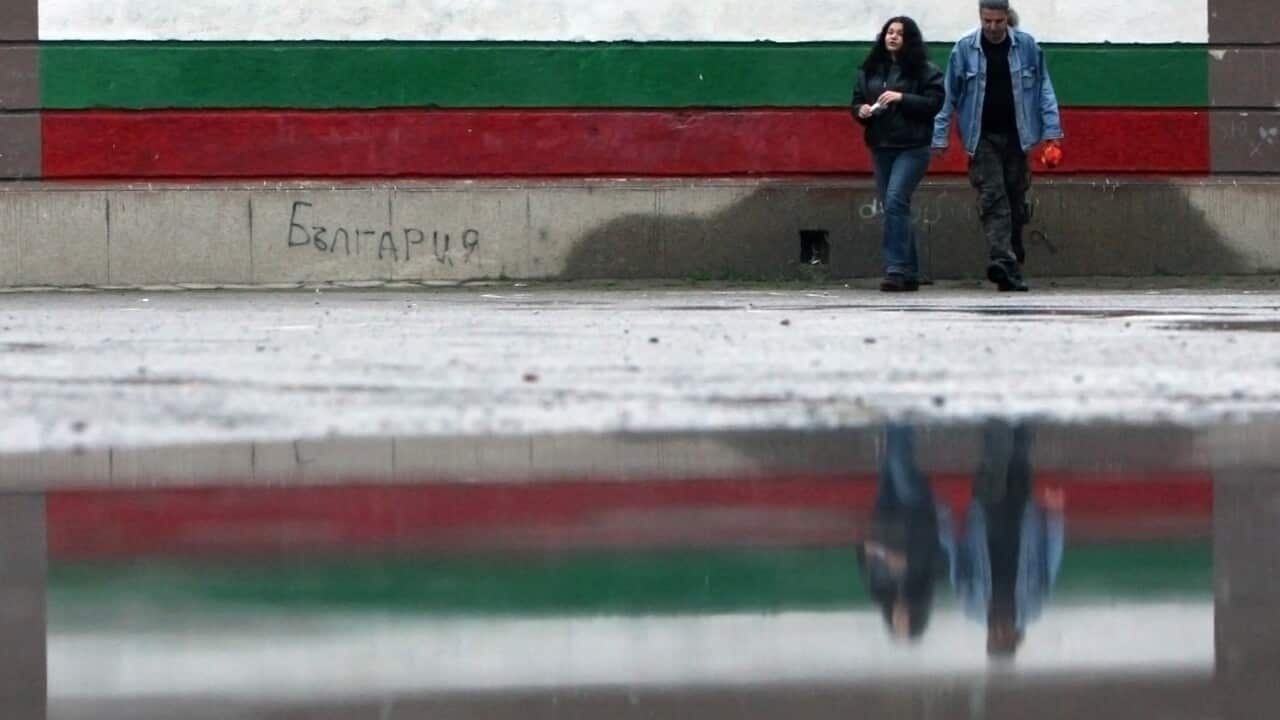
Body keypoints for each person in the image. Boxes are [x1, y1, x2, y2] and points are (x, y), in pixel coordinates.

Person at [931, 1, 1063, 292]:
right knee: (994, 197)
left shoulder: (1027, 47)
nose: (992, 28)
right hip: (982, 137)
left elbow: (1044, 90)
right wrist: (939, 136)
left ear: (1007, 20)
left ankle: (1012, 254)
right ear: (980, 17)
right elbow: (949, 95)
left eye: (998, 22)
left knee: (1016, 201)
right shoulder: (964, 49)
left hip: (1018, 136)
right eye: (987, 21)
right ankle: (1003, 261)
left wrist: (1052, 133)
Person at [939, 421, 1064, 658]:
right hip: (1024, 522)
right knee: (1020, 460)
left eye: (992, 638)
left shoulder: (972, 606)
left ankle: (995, 420)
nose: (997, 631)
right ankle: (1023, 418)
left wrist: (946, 525)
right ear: (1015, 636)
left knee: (992, 462)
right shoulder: (1032, 607)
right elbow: (1051, 561)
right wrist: (1055, 516)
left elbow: (955, 562)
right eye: (1003, 637)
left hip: (982, 520)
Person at [851, 17, 945, 292]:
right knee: (896, 206)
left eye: (899, 34)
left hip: (913, 146)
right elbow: (856, 101)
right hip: (881, 145)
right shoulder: (870, 70)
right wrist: (861, 111)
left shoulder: (924, 71)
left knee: (894, 200)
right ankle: (910, 272)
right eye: (889, 32)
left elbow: (934, 102)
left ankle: (895, 269)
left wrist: (902, 98)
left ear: (910, 39)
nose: (892, 37)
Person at [857, 425, 947, 639]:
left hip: (884, 518)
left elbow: (863, 558)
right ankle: (901, 419)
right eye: (904, 620)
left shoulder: (879, 593)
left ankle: (894, 421)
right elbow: (933, 547)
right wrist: (905, 560)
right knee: (898, 461)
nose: (899, 614)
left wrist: (867, 548)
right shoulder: (927, 584)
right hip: (915, 514)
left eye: (896, 621)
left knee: (889, 462)